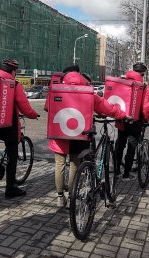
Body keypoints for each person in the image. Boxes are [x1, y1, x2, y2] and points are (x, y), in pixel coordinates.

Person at [46, 65, 126, 208]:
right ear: (80, 75)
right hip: (79, 134)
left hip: (59, 133)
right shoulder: (88, 91)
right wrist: (121, 114)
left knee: (59, 164)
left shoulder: (56, 88)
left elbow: (47, 107)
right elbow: (106, 107)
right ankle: (72, 196)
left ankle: (59, 197)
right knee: (74, 164)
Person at [0, 58, 39, 198]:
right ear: (13, 71)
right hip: (9, 125)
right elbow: (24, 106)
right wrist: (33, 115)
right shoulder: (14, 84)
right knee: (12, 157)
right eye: (16, 71)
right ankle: (10, 188)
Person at [115, 62, 149, 181]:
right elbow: (145, 106)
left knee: (120, 145)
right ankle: (126, 174)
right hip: (135, 121)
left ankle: (116, 171)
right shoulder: (143, 86)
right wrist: (145, 119)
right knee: (131, 147)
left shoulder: (122, 82)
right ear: (142, 73)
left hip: (121, 118)